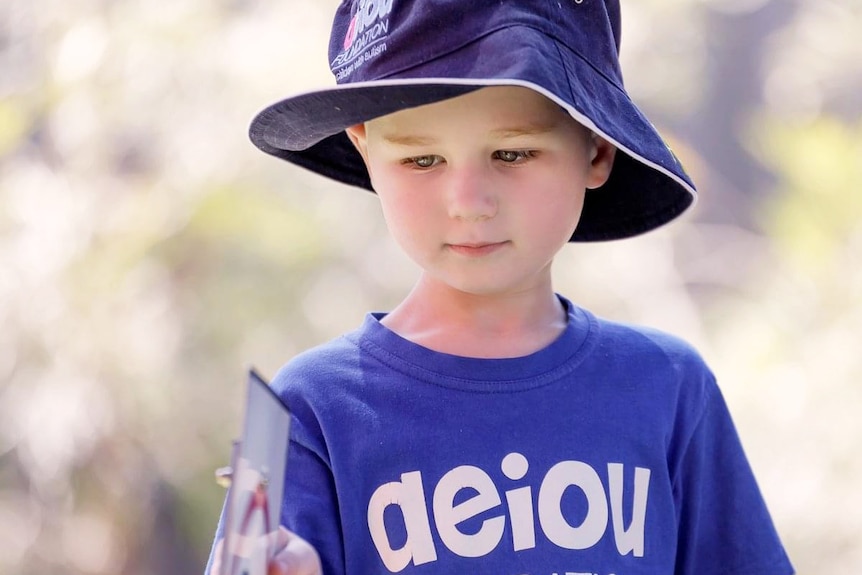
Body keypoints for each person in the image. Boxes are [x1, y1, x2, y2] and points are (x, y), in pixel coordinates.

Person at [207, 1, 794, 573]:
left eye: (512, 152)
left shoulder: (667, 390)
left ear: (597, 146)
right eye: (422, 161)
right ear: (365, 146)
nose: (469, 204)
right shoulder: (314, 408)